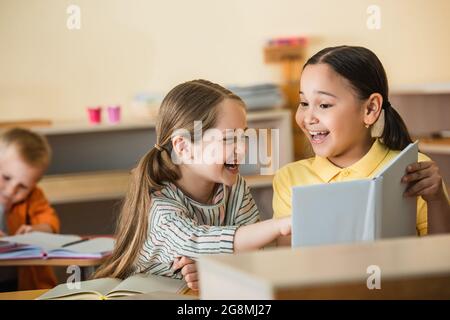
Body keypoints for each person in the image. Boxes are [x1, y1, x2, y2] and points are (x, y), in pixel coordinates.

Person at [94, 79, 291, 290]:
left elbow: (252, 253)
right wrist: (276, 226)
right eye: (228, 139)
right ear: (184, 147)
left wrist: (211, 267)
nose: (242, 149)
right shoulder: (159, 205)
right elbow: (196, 242)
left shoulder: (234, 188)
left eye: (242, 137)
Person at [273, 45, 450, 246]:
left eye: (324, 105)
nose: (308, 117)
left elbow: (440, 258)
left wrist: (436, 200)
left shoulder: (414, 169)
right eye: (304, 103)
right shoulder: (289, 179)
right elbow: (289, 262)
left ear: (370, 109)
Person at [0, 128, 60, 291]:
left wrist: (36, 230)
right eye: (6, 178)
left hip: (23, 283)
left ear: (34, 184)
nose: (11, 191)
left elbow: (50, 222)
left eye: (23, 186)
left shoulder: (34, 196)